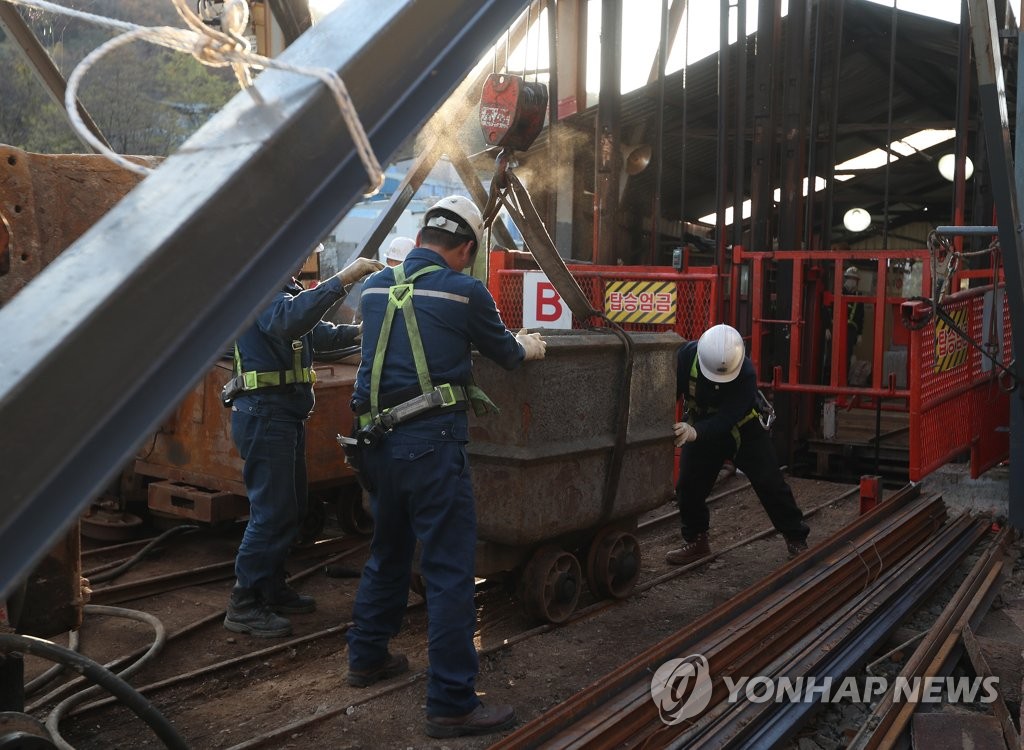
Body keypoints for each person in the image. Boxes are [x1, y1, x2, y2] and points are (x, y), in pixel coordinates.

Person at [345, 195, 546, 739]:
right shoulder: (465, 293)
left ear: (417, 241)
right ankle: (452, 702)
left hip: (376, 445)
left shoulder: (376, 289)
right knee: (450, 569)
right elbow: (504, 353)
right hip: (431, 446)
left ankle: (365, 657)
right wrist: (528, 346)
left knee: (388, 550)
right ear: (464, 248)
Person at [222, 250, 384, 638]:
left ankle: (270, 586)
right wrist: (343, 280)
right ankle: (243, 602)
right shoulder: (259, 289)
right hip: (264, 415)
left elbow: (317, 335)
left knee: (289, 508)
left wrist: (362, 331)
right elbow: (287, 321)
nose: (302, 261)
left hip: (281, 415)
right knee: (271, 512)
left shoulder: (283, 289)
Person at [666, 323, 810, 566]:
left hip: (743, 429)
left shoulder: (745, 372)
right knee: (688, 486)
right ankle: (696, 539)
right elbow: (666, 392)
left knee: (770, 483)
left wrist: (695, 432)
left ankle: (796, 537)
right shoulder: (686, 357)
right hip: (700, 423)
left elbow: (726, 419)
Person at [842, 266, 866, 385]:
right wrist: (826, 327)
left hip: (851, 331)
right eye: (850, 279)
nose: (852, 282)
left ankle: (843, 382)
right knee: (832, 357)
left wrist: (860, 334)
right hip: (837, 329)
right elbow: (829, 309)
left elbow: (861, 316)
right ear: (846, 279)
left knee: (847, 356)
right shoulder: (839, 292)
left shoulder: (858, 296)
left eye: (854, 279)